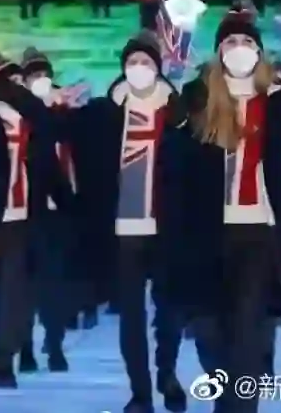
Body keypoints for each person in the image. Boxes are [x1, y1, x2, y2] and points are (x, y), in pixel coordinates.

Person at [164, 6, 281, 413]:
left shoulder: (276, 107)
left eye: (247, 42)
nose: (239, 48)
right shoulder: (198, 103)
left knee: (248, 337)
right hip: (208, 238)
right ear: (218, 51)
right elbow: (177, 180)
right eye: (230, 42)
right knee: (210, 333)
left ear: (259, 52)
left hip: (259, 235)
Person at [76, 32, 186, 413]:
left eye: (146, 62)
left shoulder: (179, 113)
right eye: (132, 62)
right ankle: (140, 391)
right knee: (131, 317)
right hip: (123, 229)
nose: (139, 68)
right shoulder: (106, 113)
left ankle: (167, 372)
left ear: (158, 67)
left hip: (167, 227)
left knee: (169, 309)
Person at [0, 51, 65, 387]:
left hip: (25, 212)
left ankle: (6, 357)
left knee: (16, 289)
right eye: (7, 79)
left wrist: (68, 203)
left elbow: (48, 162)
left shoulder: (32, 114)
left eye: (17, 79)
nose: (15, 85)